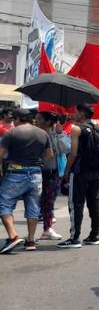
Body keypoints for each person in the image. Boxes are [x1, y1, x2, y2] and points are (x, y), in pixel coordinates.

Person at [0, 109, 54, 254]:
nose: (13, 121)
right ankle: (30, 241)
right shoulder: (43, 133)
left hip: (15, 173)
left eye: (14, 119)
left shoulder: (11, 133)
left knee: (4, 204)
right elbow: (49, 154)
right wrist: (37, 163)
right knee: (33, 207)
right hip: (36, 174)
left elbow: (0, 155)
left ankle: (13, 236)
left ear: (18, 119)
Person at [57, 104, 99, 249]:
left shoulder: (77, 129)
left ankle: (74, 238)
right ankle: (94, 236)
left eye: (76, 112)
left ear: (82, 114)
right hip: (96, 172)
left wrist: (66, 169)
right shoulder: (97, 128)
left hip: (79, 172)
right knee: (94, 204)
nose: (73, 114)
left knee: (76, 204)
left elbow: (73, 153)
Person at [36, 112, 67, 242]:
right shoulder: (37, 134)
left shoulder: (55, 134)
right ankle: (47, 229)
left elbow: (66, 149)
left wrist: (60, 134)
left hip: (53, 172)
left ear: (48, 122)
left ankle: (47, 228)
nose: (36, 120)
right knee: (45, 201)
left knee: (48, 201)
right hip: (41, 171)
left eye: (39, 119)